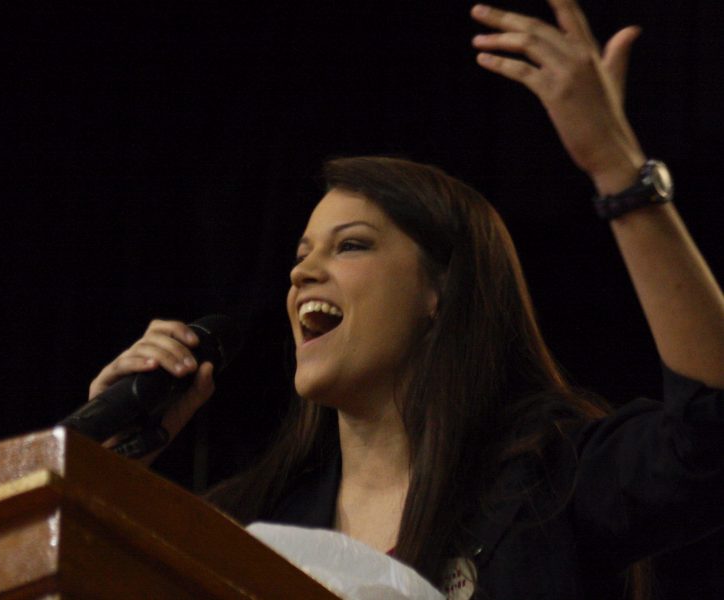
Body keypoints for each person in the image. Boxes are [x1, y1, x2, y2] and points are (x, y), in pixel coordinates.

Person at [88, 1, 724, 598]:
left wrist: (617, 168)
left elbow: (710, 434)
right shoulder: (245, 519)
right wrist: (117, 467)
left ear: (440, 293)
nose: (303, 273)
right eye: (300, 255)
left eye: (351, 246)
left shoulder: (547, 482)